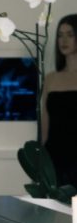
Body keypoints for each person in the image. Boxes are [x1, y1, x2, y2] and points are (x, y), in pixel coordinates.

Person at [41, 14, 77, 187]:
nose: (64, 40)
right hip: (54, 159)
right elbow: (45, 128)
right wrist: (40, 164)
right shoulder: (50, 79)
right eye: (60, 35)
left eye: (70, 34)